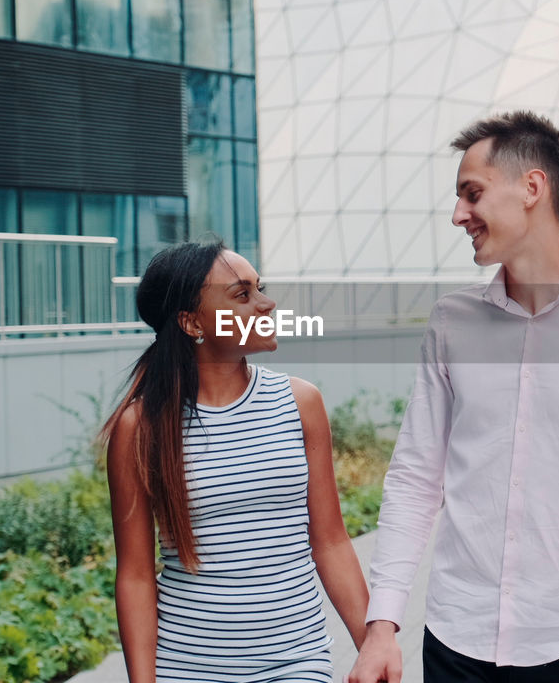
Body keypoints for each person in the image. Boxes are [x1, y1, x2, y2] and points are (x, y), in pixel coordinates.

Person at [347, 111, 559, 683]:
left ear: (532, 188)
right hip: (455, 638)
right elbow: (414, 477)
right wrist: (381, 625)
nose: (459, 215)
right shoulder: (451, 322)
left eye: (472, 193)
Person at [103, 241, 370, 683]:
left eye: (259, 288)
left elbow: (331, 541)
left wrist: (372, 644)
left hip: (297, 663)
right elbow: (134, 575)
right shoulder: (141, 427)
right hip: (187, 669)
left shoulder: (301, 403)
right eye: (242, 295)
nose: (267, 304)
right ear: (191, 322)